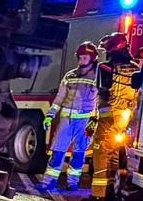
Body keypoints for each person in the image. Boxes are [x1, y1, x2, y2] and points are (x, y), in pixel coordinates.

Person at [88, 32, 143, 201]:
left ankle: (99, 195)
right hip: (128, 118)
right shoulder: (135, 67)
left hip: (109, 115)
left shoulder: (105, 67)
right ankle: (112, 190)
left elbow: (102, 93)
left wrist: (94, 118)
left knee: (100, 150)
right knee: (113, 153)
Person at [38, 42, 100, 191]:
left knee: (79, 153)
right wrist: (50, 115)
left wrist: (95, 122)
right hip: (66, 119)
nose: (82, 59)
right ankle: (48, 182)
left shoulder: (98, 76)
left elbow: (102, 100)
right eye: (80, 56)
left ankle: (73, 182)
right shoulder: (70, 75)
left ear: (92, 58)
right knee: (58, 152)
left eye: (86, 57)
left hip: (88, 120)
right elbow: (59, 98)